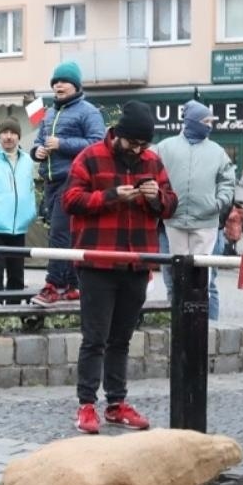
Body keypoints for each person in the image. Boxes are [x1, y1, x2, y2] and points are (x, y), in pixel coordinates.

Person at [62, 101, 177, 434]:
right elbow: (70, 200)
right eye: (133, 143)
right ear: (119, 136)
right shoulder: (90, 157)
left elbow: (170, 206)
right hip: (97, 261)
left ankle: (116, 404)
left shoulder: (152, 161)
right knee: (94, 338)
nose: (138, 150)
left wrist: (157, 197)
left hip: (137, 262)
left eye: (144, 145)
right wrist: (111, 196)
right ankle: (86, 405)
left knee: (121, 339)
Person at [31, 61, 106, 306]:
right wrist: (37, 151)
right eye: (55, 82)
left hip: (74, 181)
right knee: (65, 233)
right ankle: (75, 285)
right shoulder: (49, 113)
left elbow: (97, 144)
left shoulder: (88, 112)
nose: (58, 86)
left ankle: (53, 285)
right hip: (50, 182)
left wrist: (62, 144)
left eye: (63, 81)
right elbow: (38, 141)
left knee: (60, 233)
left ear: (75, 85)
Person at [154, 100, 235, 321]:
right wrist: (160, 202)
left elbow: (228, 180)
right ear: (192, 121)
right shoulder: (165, 147)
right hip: (174, 220)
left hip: (206, 221)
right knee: (177, 275)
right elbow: (151, 173)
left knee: (204, 278)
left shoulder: (217, 151)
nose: (210, 125)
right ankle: (179, 324)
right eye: (206, 121)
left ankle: (207, 328)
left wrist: (219, 203)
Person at [0, 120, 36, 299]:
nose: (8, 136)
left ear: (19, 136)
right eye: (5, 132)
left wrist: (30, 212)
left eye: (13, 133)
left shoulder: (27, 160)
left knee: (17, 274)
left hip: (20, 226)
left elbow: (31, 187)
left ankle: (15, 313)